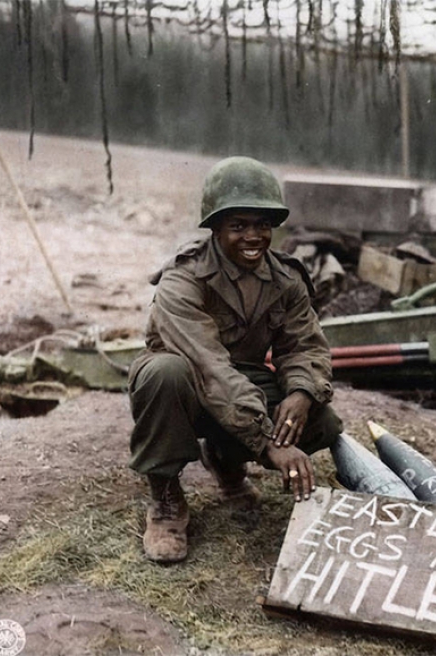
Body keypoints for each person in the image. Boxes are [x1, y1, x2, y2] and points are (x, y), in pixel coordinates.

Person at [128, 156, 343, 563]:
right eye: (238, 225)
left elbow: (305, 346)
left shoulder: (285, 279)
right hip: (186, 385)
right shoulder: (183, 279)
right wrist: (267, 441)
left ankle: (226, 460)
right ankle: (166, 497)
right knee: (165, 373)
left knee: (322, 421)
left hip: (237, 384)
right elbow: (207, 365)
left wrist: (300, 392)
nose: (253, 236)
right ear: (214, 228)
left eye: (262, 225)